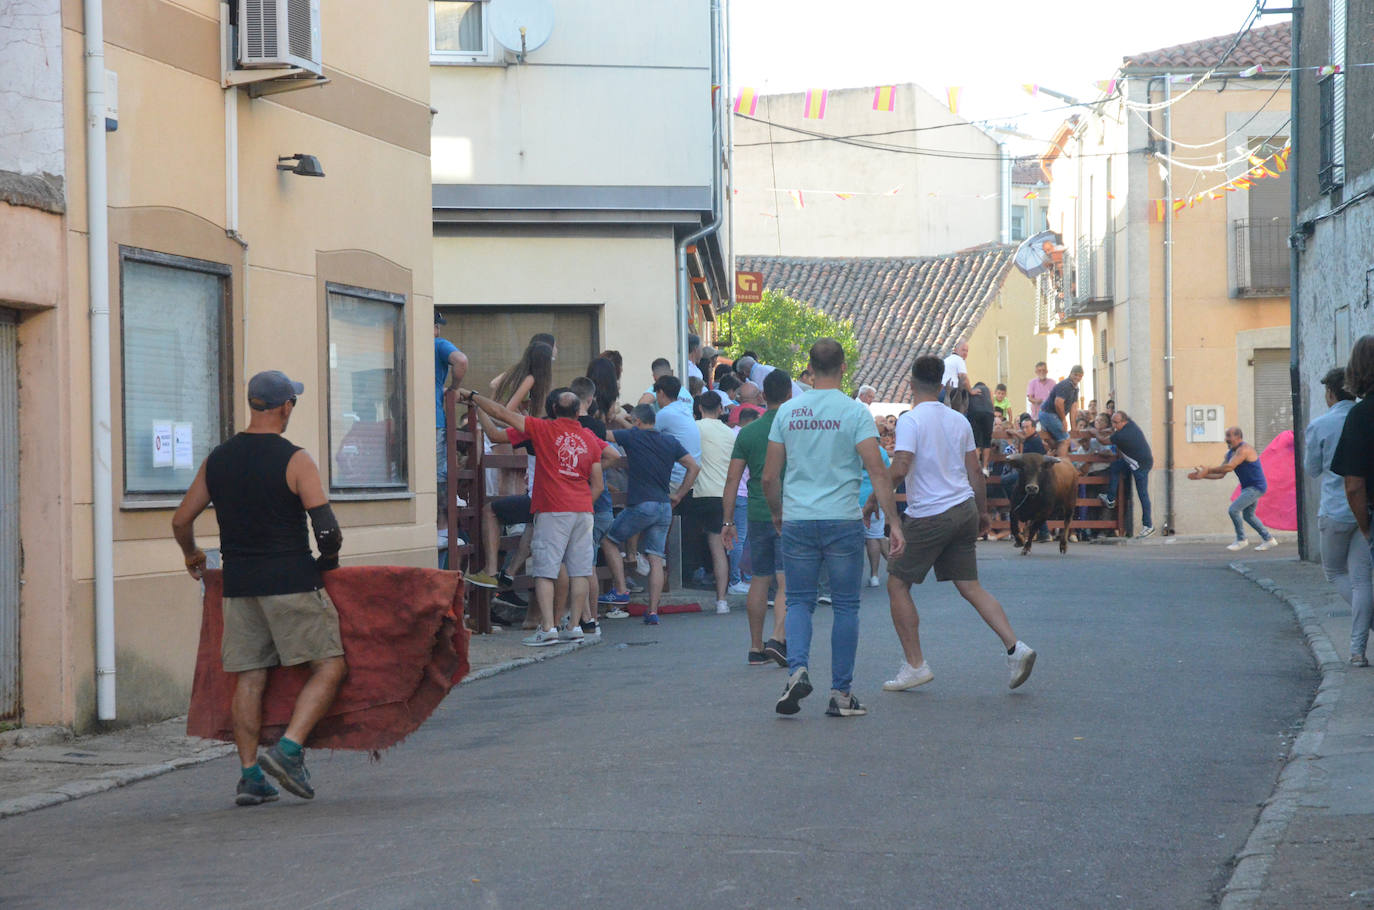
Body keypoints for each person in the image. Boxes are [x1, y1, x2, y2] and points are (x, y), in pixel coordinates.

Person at [171, 370, 346, 806]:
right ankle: (288, 750)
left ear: (253, 405)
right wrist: (328, 565)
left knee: (250, 677)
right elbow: (326, 530)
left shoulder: (219, 459)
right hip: (290, 581)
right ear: (286, 407)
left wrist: (192, 554)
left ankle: (250, 776)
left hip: (239, 586)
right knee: (329, 667)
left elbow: (180, 519)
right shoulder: (296, 459)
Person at [869, 355, 1036, 694]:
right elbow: (975, 471)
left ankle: (915, 665)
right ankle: (1015, 648)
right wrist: (983, 511)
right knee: (970, 585)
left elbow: (900, 467)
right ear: (944, 385)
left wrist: (877, 495)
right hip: (963, 509)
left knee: (897, 584)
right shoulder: (959, 421)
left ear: (911, 383)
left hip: (930, 513)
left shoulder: (911, 420)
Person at [762, 340, 906, 718]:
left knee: (798, 601)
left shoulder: (788, 412)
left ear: (808, 368)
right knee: (845, 607)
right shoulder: (854, 412)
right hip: (843, 518)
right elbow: (877, 470)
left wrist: (778, 512)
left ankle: (797, 669)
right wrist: (893, 522)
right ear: (843, 367)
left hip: (798, 518)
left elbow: (769, 476)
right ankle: (841, 694)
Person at [459, 387, 606, 645]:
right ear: (577, 411)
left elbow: (501, 415)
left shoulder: (542, 428)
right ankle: (574, 626)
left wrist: (474, 398)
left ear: (552, 410)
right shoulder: (589, 438)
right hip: (583, 511)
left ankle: (548, 628)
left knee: (545, 571)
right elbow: (599, 484)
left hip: (553, 508)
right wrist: (581, 501)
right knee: (580, 571)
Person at [599, 404, 701, 623]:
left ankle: (620, 589)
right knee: (656, 558)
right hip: (664, 505)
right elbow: (694, 466)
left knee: (609, 540)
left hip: (641, 504)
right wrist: (680, 494)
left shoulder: (633, 437)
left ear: (637, 422)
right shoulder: (669, 441)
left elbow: (602, 434)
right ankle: (653, 611)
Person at [723, 370, 793, 666]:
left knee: (760, 580)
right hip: (790, 511)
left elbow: (731, 479)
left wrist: (728, 522)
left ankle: (755, 647)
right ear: (790, 395)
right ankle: (779, 639)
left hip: (756, 511)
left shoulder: (748, 432)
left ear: (763, 396)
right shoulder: (795, 429)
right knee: (786, 580)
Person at [1305, 366, 1372, 666]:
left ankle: (1369, 622)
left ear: (1331, 393)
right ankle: (1357, 651)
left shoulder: (1321, 425)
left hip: (1335, 509)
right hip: (1364, 509)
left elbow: (1312, 469)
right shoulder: (1362, 417)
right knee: (1362, 580)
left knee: (1334, 573)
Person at [1188, 426, 1277, 552]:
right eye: (1226, 436)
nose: (1226, 439)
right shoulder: (1230, 453)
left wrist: (1208, 469)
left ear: (1238, 437)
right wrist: (1202, 476)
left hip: (1256, 487)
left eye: (1229, 436)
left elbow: (1229, 467)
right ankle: (1268, 539)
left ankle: (1241, 540)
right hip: (1248, 488)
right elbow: (1220, 474)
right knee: (1248, 516)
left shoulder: (1244, 450)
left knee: (1233, 510)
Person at [694, 392, 738, 614]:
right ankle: (722, 599)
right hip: (725, 494)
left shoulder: (696, 428)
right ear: (720, 408)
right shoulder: (730, 433)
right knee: (720, 547)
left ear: (700, 407)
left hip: (700, 493)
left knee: (708, 545)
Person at [433, 313, 469, 522]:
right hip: (434, 421)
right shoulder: (438, 344)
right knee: (438, 476)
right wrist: (454, 389)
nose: (439, 331)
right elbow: (461, 361)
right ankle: (442, 527)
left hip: (407, 422)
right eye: (437, 326)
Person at [1097, 409, 1155, 538]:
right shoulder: (1130, 425)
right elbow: (1113, 432)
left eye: (1116, 422)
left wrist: (1095, 432)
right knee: (1116, 466)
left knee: (1143, 495)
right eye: (1112, 422)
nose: (1114, 425)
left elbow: (1103, 441)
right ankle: (1110, 498)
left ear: (1124, 421)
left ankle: (1148, 525)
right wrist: (1107, 430)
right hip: (1135, 461)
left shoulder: (1122, 435)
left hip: (1140, 465)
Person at [1038, 365, 1083, 458]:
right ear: (1070, 374)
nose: (1077, 377)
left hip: (1048, 414)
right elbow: (1058, 403)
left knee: (1053, 440)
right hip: (1049, 414)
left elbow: (1073, 408)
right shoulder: (1065, 385)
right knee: (1065, 439)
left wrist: (1073, 427)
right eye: (1075, 375)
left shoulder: (1075, 388)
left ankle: (1053, 464)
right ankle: (1062, 465)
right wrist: (1063, 420)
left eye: (1079, 376)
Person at [967, 381, 996, 474]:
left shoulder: (972, 390)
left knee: (976, 442)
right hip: (988, 414)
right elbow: (992, 403)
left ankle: (976, 468)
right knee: (987, 442)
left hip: (974, 413)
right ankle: (985, 468)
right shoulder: (988, 390)